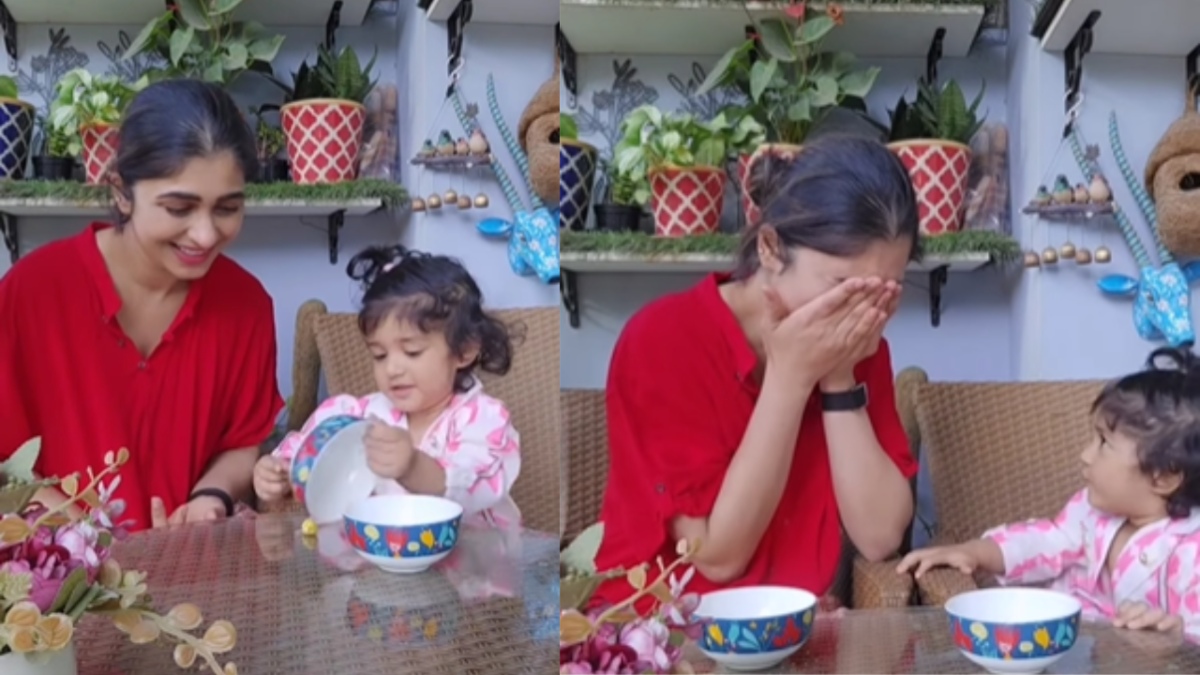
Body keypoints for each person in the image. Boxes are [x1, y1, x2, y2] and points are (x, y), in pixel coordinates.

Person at [593, 136, 921, 608]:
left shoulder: (859, 345)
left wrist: (837, 376)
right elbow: (717, 557)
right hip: (658, 624)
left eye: (886, 289)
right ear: (769, 248)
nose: (865, 310)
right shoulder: (662, 339)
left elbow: (880, 536)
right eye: (844, 286)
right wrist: (790, 379)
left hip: (788, 625)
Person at [0, 80, 283, 531]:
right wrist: (82, 535)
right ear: (121, 192)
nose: (205, 235)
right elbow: (8, 466)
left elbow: (242, 443)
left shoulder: (247, 306)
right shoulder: (31, 293)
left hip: (194, 563)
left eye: (227, 208)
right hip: (59, 564)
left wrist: (211, 496)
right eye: (179, 208)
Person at [898, 347, 1200, 641]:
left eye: (1104, 443)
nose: (1085, 455)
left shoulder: (1191, 553)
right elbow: (1041, 542)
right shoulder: (1091, 511)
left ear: (1163, 477)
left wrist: (1175, 639)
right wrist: (974, 552)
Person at [254, 245, 522, 528]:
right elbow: (305, 454)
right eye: (379, 355)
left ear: (464, 351)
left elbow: (475, 488)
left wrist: (413, 467)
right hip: (380, 553)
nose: (392, 369)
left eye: (412, 352)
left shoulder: (484, 420)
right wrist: (277, 472)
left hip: (475, 552)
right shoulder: (359, 416)